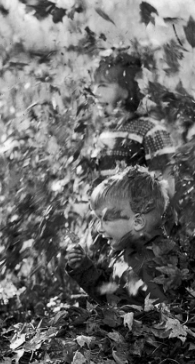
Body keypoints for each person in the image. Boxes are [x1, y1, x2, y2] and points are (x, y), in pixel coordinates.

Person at [65, 166, 188, 306]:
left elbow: (165, 314)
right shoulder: (127, 254)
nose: (99, 229)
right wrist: (83, 268)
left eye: (105, 220)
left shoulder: (152, 264)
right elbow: (110, 295)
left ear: (137, 222)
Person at [92, 51, 176, 188]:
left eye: (103, 85)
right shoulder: (103, 135)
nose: (95, 93)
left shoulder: (150, 131)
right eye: (94, 85)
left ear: (126, 91)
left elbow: (166, 186)